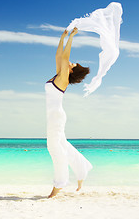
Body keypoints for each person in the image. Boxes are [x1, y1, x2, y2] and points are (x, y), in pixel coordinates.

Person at [45, 27, 93, 198]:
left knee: (54, 147)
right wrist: (62, 37)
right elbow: (59, 57)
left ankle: (59, 184)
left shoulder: (64, 77)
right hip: (55, 115)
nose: (70, 62)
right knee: (62, 145)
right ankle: (82, 171)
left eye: (73, 64)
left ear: (71, 71)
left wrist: (72, 37)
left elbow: (64, 58)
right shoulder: (59, 74)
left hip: (56, 116)